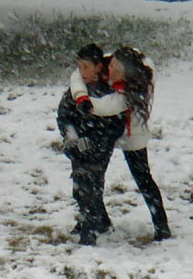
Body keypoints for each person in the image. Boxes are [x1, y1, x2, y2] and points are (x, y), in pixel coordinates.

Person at [70, 46, 171, 241]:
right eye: (112, 66)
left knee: (143, 179)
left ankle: (161, 226)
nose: (111, 71)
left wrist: (88, 105)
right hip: (106, 132)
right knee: (94, 176)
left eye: (117, 71)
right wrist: (80, 95)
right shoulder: (111, 61)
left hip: (132, 135)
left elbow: (108, 106)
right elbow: (77, 75)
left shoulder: (132, 93)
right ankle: (98, 220)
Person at [57, 44, 125, 246]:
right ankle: (99, 221)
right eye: (79, 67)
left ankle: (89, 228)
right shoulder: (76, 91)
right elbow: (64, 115)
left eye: (86, 67)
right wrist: (72, 136)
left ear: (98, 67)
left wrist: (98, 141)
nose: (82, 72)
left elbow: (116, 122)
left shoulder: (110, 91)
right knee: (80, 185)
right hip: (78, 146)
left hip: (100, 147)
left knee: (91, 183)